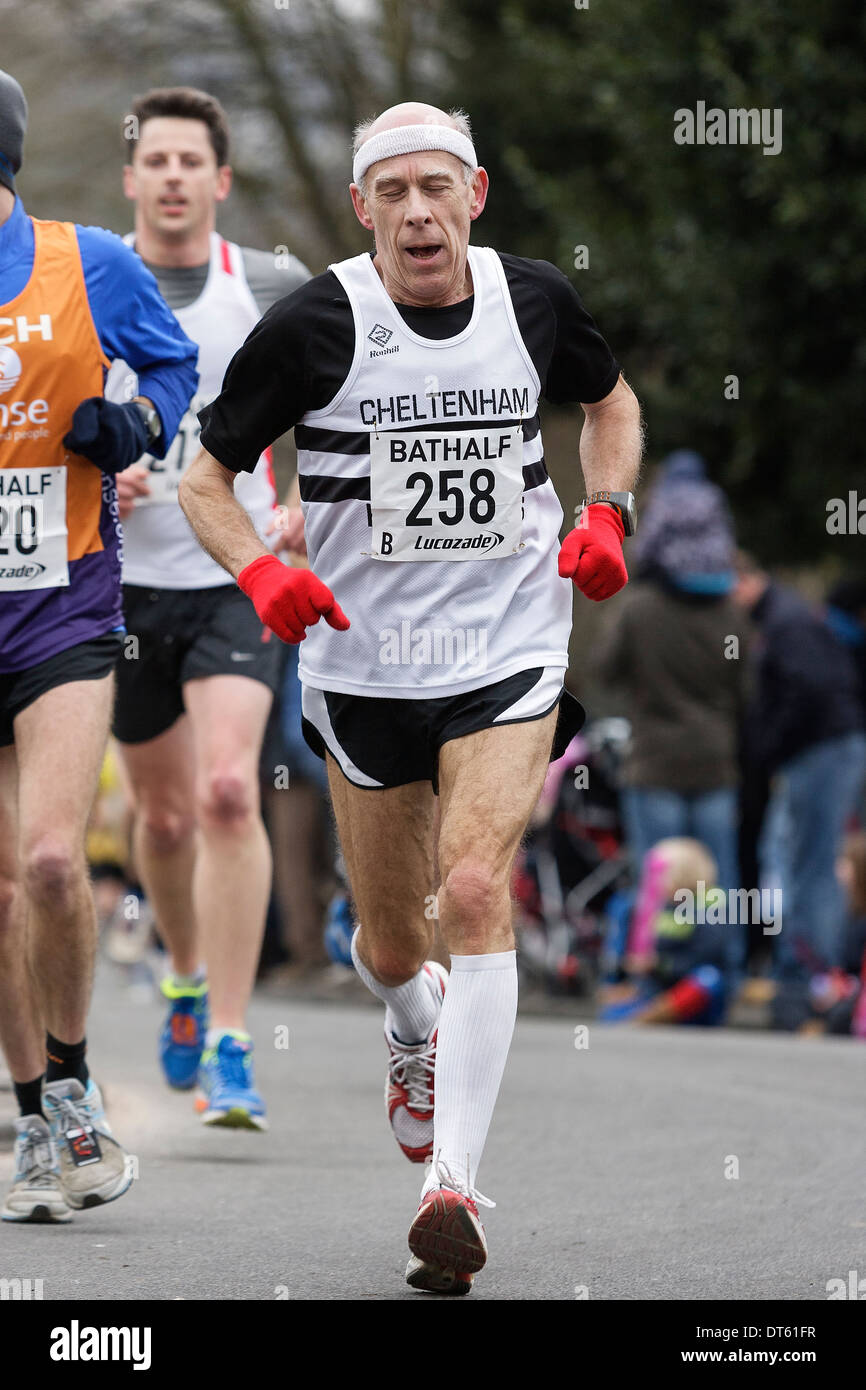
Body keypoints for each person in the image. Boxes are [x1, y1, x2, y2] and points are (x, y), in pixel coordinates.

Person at [180, 101, 642, 1294]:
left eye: (438, 187)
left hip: (505, 647)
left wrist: (604, 513)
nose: (418, 212)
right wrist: (263, 569)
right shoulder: (313, 324)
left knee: (478, 885)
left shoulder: (531, 300)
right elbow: (207, 479)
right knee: (390, 942)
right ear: (362, 208)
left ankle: (450, 1187)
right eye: (393, 192)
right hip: (362, 663)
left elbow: (612, 404)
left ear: (474, 196)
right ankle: (409, 1026)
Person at [0, 69, 198, 1222]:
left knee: (51, 863)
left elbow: (172, 363)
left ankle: (74, 1087)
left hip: (64, 602)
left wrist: (137, 422)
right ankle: (29, 1115)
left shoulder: (89, 264)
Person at [104, 88, 311, 1129]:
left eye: (194, 161)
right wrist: (98, 478)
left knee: (230, 792)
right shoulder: (89, 285)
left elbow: (341, 398)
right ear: (131, 179)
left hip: (233, 571)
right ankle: (183, 974)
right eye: (159, 161)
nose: (176, 176)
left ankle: (230, 1038)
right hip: (124, 588)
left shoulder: (270, 286)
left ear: (220, 182)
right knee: (166, 815)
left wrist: (309, 505)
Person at [595, 450, 749, 973]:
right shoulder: (732, 614)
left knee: (660, 874)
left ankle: (656, 966)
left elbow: (605, 670)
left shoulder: (639, 610)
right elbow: (746, 687)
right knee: (715, 877)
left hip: (655, 761)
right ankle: (717, 968)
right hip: (715, 761)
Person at [734, 556, 866, 1029]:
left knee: (810, 863)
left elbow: (807, 691)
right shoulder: (788, 618)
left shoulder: (785, 623)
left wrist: (768, 748)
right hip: (822, 748)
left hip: (818, 750)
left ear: (748, 580)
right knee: (800, 859)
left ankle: (809, 976)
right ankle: (806, 971)